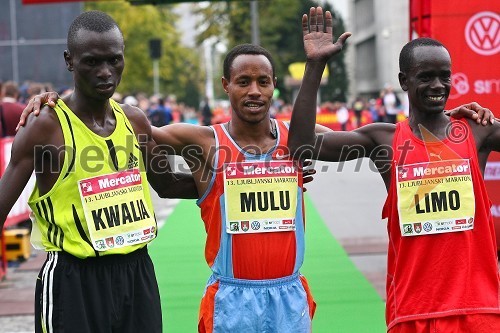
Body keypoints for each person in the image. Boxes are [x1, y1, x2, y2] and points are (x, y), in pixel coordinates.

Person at [289, 7, 500, 332]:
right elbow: (301, 146)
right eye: (425, 76)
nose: (438, 85)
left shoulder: (476, 131)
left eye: (445, 76)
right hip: (414, 311)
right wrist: (316, 66)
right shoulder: (384, 140)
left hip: (478, 308)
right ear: (404, 81)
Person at [0, 11, 197, 333]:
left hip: (136, 272)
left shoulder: (134, 121)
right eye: (92, 62)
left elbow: (170, 183)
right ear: (70, 61)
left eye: (114, 60)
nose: (106, 72)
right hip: (72, 278)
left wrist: (239, 179)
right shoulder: (45, 127)